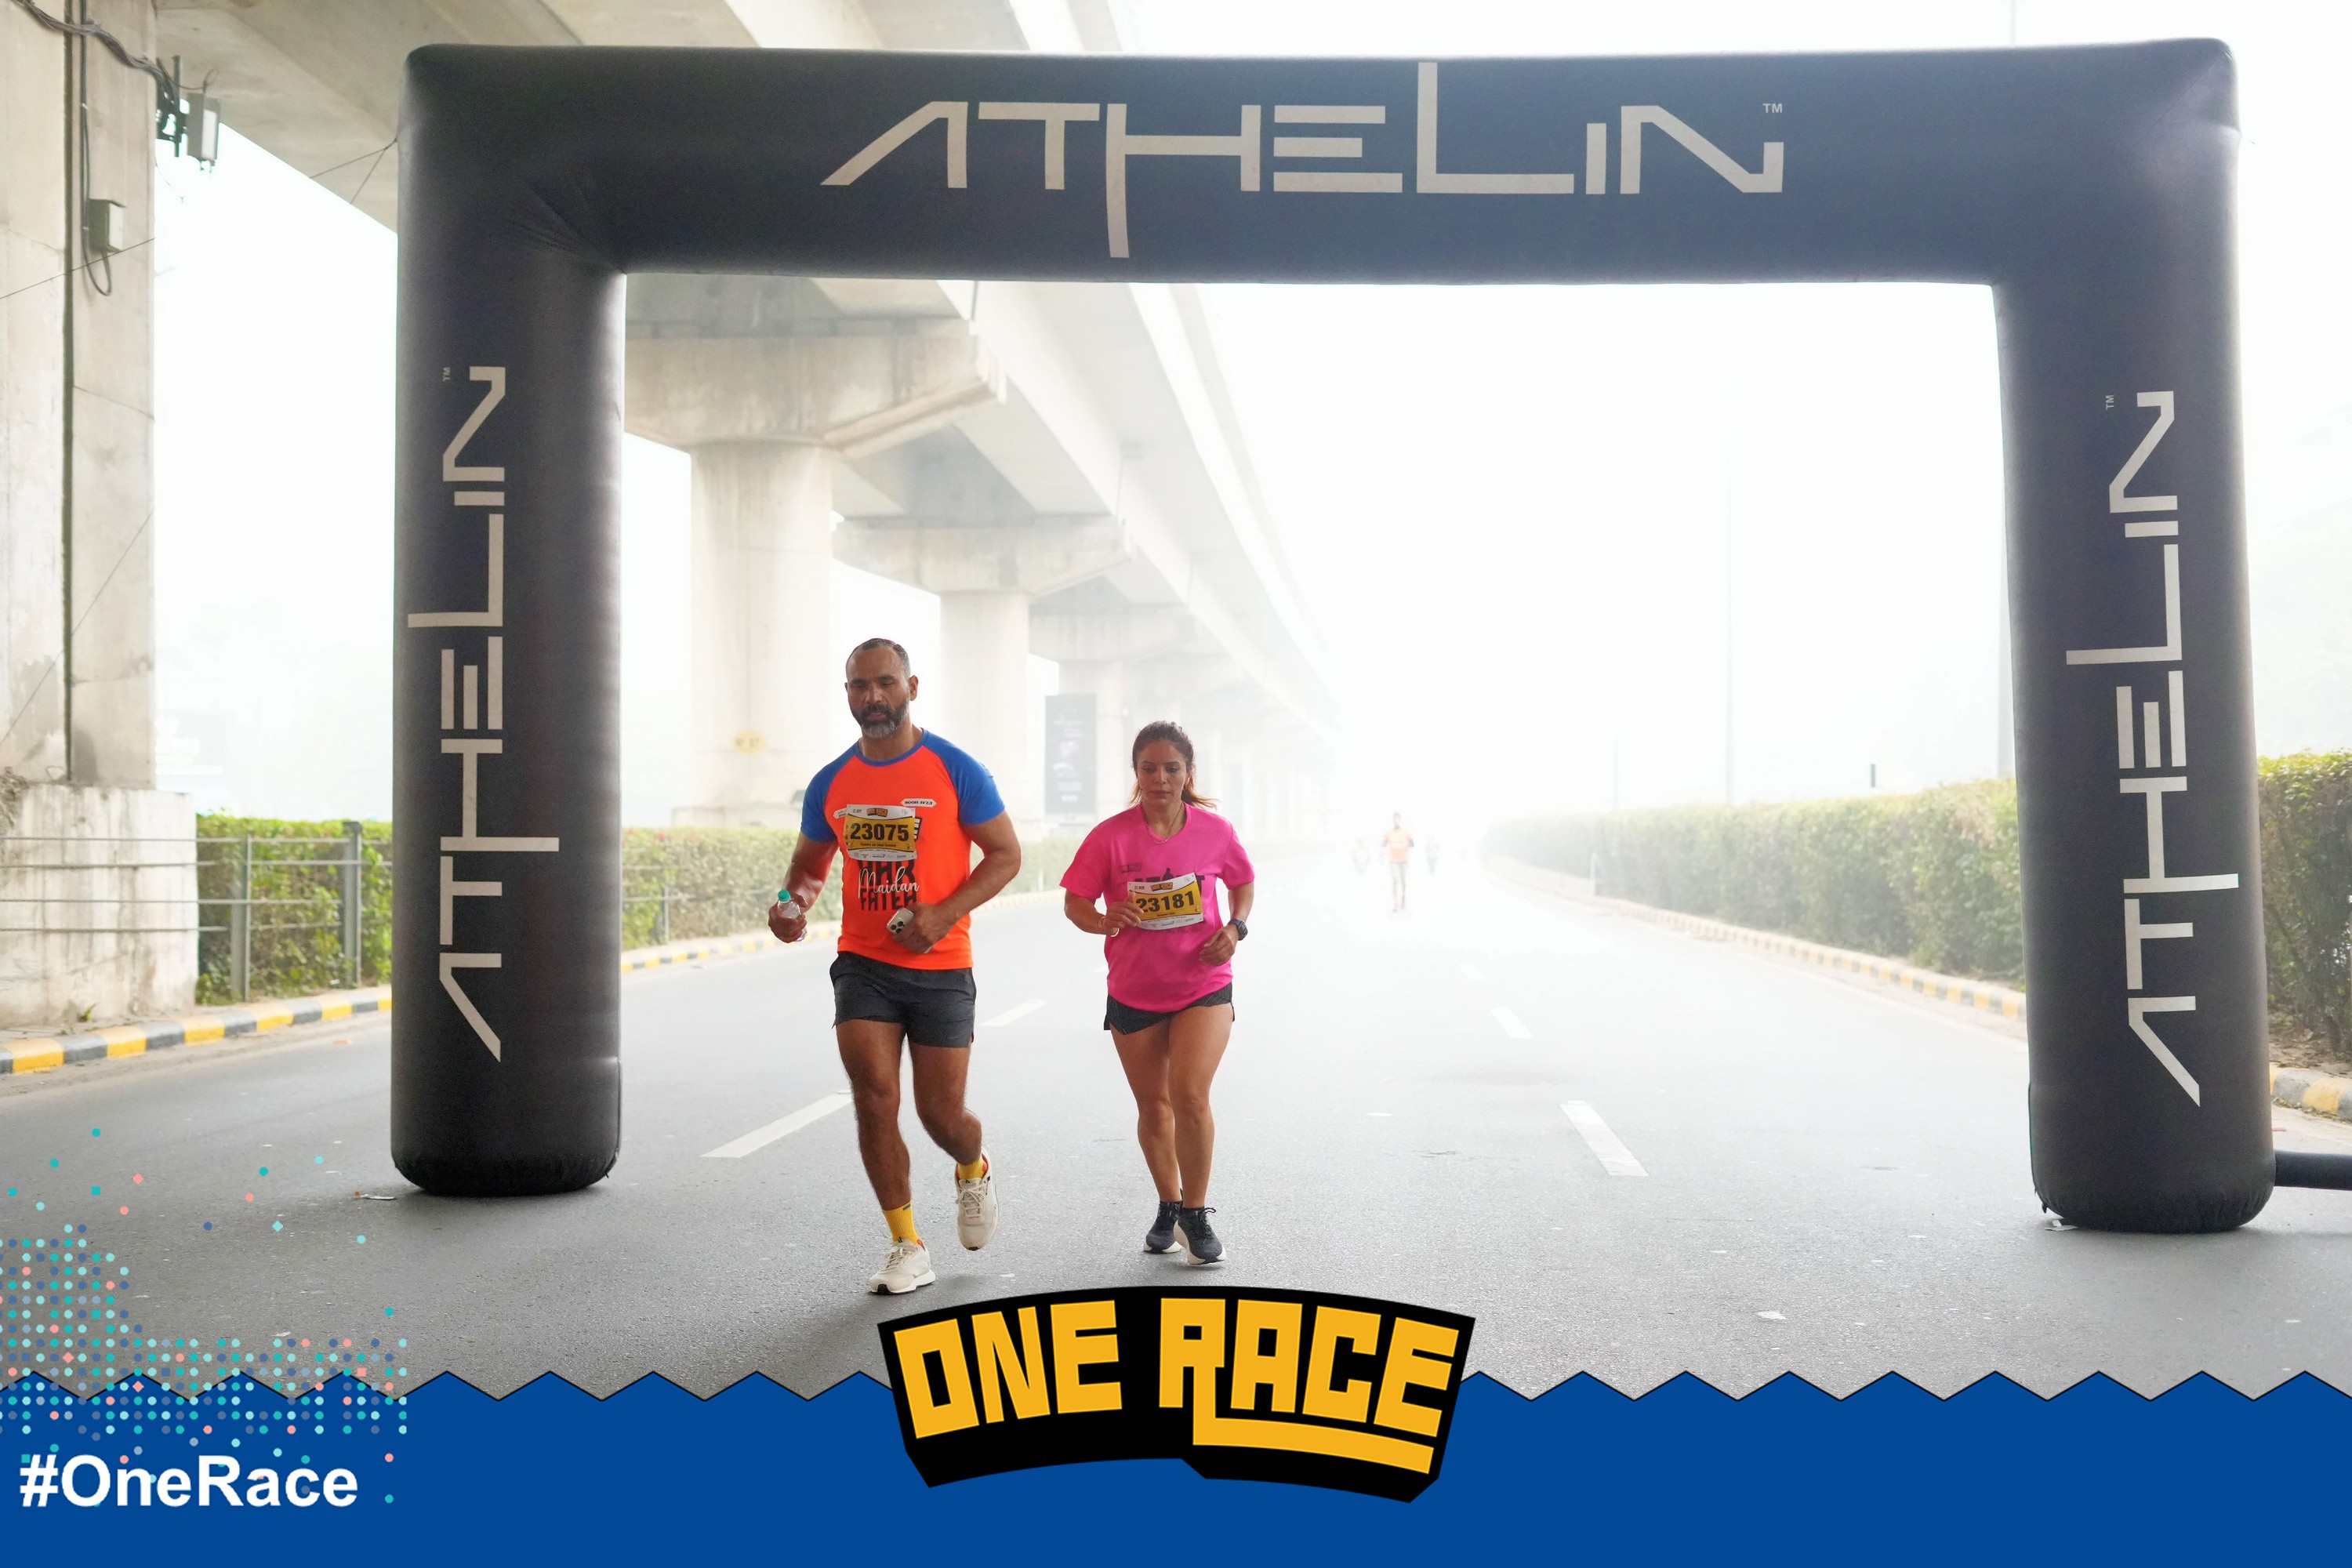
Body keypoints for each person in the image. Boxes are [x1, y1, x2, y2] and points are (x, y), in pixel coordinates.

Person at [770, 638, 1022, 1295]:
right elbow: (807, 868)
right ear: (847, 694)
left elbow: (1005, 855)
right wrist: (792, 905)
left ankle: (973, 1167)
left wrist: (943, 913)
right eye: (860, 686)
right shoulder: (832, 782)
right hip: (864, 964)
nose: (873, 697)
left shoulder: (955, 769)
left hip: (942, 966)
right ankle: (907, 1244)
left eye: (885, 683)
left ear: (912, 687)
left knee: (943, 1116)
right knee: (875, 1099)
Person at [1061, 722, 1255, 1265]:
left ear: (1189, 773)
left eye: (1172, 768)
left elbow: (1243, 883)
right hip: (1135, 989)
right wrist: (1104, 920)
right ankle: (1168, 1202)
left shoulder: (1215, 831)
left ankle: (1195, 1212)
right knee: (1153, 1106)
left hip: (1203, 984)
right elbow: (1076, 903)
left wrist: (1235, 927)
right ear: (1136, 773)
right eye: (1149, 768)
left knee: (1189, 1094)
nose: (1161, 779)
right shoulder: (1110, 836)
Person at [1382, 812, 1415, 912]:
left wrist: (1407, 844)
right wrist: (1381, 844)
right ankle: (1396, 904)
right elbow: (1383, 843)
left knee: (1403, 882)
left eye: (1398, 819)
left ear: (1400, 820)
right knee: (1395, 880)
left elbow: (1412, 844)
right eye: (1395, 819)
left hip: (1404, 861)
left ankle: (1403, 899)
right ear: (1393, 820)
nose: (1396, 821)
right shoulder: (1389, 833)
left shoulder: (1406, 833)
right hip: (1393, 861)